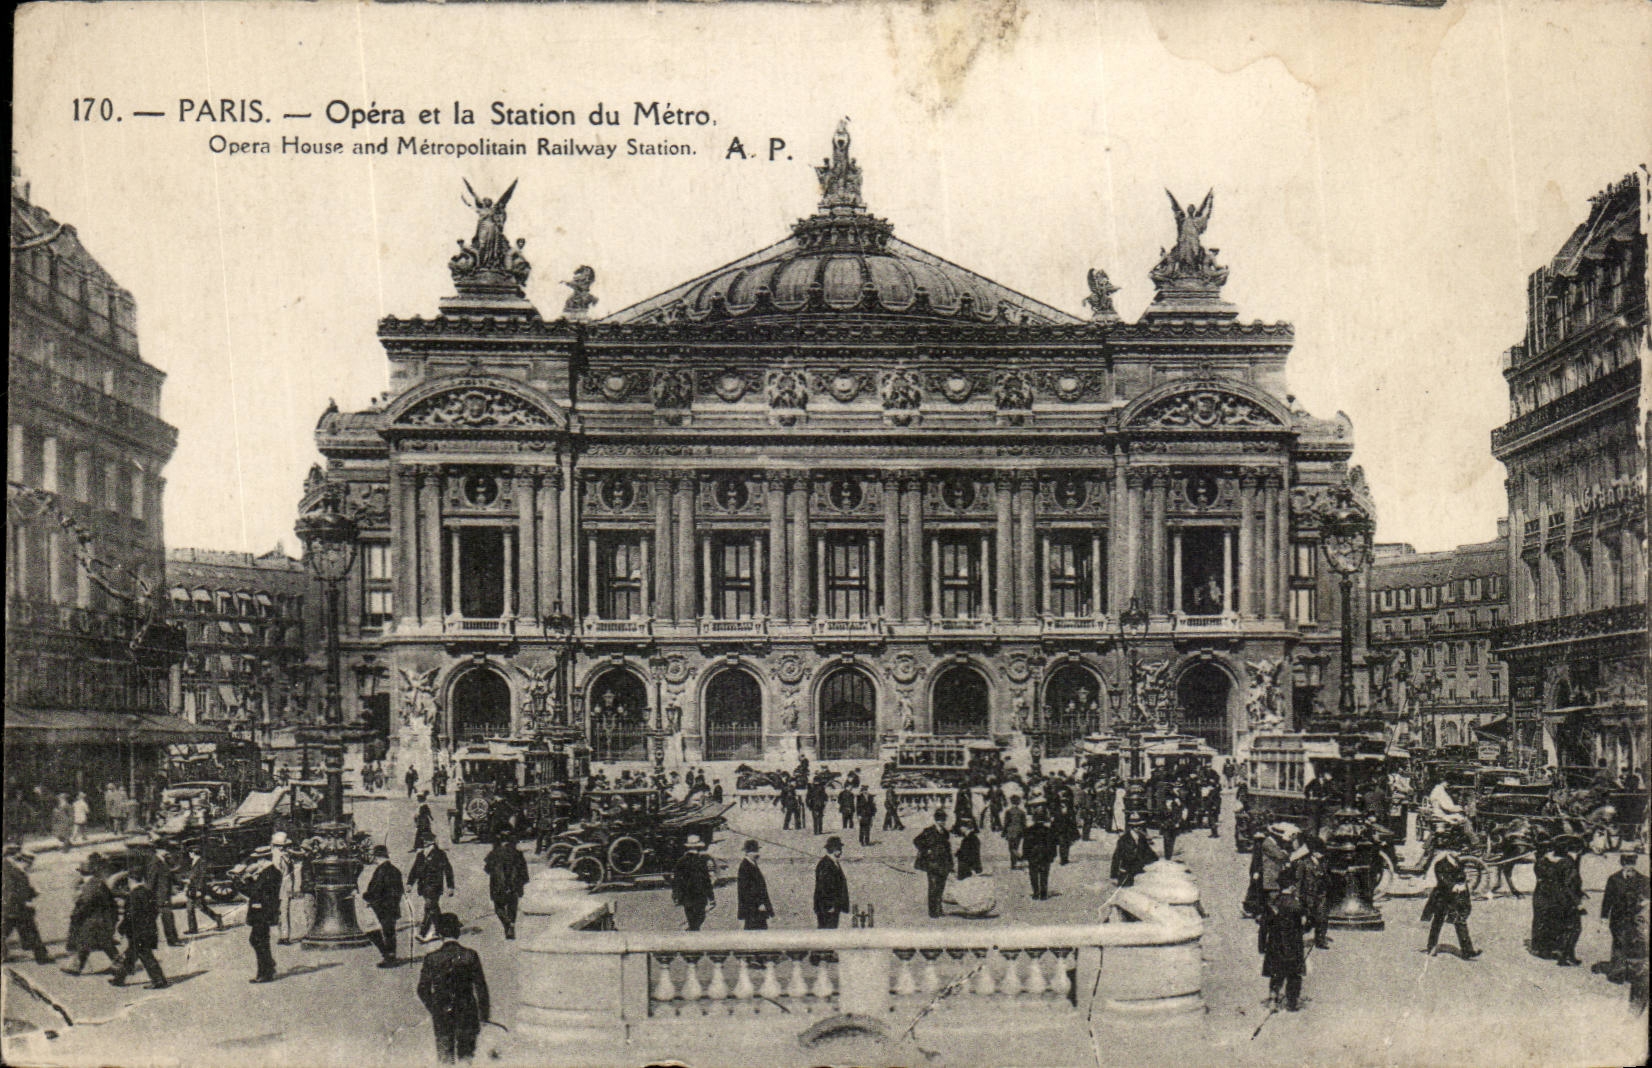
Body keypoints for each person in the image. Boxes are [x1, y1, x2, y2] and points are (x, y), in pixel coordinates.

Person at [417, 912, 491, 1064]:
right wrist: (484, 1015)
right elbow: (481, 988)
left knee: (445, 1057)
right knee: (466, 1057)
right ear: (457, 932)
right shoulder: (470, 955)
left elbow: (422, 990)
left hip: (442, 1015)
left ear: (439, 934)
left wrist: (435, 1007)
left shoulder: (431, 958)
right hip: (467, 1012)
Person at [109, 846, 168, 989]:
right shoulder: (147, 892)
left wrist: (120, 930)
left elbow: (130, 916)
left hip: (139, 933)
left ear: (131, 880)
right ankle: (119, 979)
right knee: (131, 955)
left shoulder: (134, 896)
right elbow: (153, 911)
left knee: (146, 956)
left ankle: (159, 981)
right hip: (148, 930)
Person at [1260, 868, 1309, 1012]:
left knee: (1276, 973)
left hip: (1275, 944)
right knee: (1294, 975)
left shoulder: (1273, 903)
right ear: (1292, 886)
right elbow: (1305, 924)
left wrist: (1262, 945)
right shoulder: (1296, 905)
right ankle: (1291, 1003)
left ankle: (1273, 999)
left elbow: (1264, 926)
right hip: (1293, 945)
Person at [1422, 839, 1480, 960]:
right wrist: (1454, 886)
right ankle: (1431, 947)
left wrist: (1463, 885)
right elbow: (1442, 880)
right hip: (1442, 898)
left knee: (1460, 922)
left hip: (1455, 899)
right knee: (1437, 922)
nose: (1458, 853)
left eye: (1459, 851)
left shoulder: (1458, 863)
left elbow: (1462, 878)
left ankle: (1467, 951)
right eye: (1456, 851)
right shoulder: (1441, 864)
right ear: (1449, 851)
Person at [1531, 835, 1585, 965]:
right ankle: (1566, 955)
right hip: (1563, 899)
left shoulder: (1542, 861)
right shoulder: (1567, 863)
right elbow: (1569, 884)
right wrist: (1578, 902)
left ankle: (1544, 950)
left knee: (1545, 922)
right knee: (1573, 926)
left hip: (1542, 896)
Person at [64, 854, 121, 975]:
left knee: (98, 942)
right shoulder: (96, 882)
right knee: (92, 942)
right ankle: (76, 967)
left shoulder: (91, 885)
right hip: (100, 918)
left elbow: (85, 903)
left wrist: (76, 915)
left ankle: (120, 964)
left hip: (96, 920)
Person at [1596, 852, 1649, 981]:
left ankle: (1633, 972)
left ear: (1635, 864)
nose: (1628, 867)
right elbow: (1607, 899)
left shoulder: (1644, 880)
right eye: (1626, 864)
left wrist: (1644, 902)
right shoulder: (1614, 879)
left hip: (1635, 917)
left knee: (1634, 942)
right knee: (1619, 943)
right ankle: (1618, 973)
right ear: (1622, 863)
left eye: (1631, 864)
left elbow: (1648, 896)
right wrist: (1604, 917)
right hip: (1617, 916)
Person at [2, 847, 52, 965]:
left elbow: (21, 887)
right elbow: (11, 890)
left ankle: (41, 956)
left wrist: (32, 893)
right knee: (30, 930)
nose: (29, 866)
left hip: (13, 907)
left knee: (21, 930)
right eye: (28, 863)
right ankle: (41, 956)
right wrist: (25, 899)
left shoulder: (12, 868)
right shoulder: (9, 870)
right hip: (13, 907)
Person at [242, 844, 283, 982]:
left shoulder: (268, 874)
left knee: (258, 940)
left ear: (264, 860)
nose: (257, 863)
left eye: (258, 860)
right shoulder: (270, 872)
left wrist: (242, 880)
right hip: (263, 911)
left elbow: (253, 892)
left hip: (262, 912)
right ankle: (268, 966)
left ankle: (265, 973)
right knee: (259, 940)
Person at [362, 844, 405, 966]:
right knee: (389, 932)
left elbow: (376, 889)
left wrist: (367, 897)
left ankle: (388, 957)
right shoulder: (395, 870)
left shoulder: (381, 870)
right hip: (392, 906)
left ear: (377, 857)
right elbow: (399, 889)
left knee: (377, 932)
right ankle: (390, 956)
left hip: (382, 907)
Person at [483, 836, 530, 941]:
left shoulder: (494, 853)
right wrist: (522, 885)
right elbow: (524, 872)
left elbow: (487, 869)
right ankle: (511, 924)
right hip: (514, 886)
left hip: (498, 885)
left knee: (498, 907)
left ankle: (506, 923)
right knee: (512, 907)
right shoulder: (518, 854)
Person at [410, 839, 456, 942]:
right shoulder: (421, 855)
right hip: (423, 887)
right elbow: (414, 870)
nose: (424, 846)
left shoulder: (440, 854)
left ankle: (423, 933)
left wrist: (450, 886)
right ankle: (440, 931)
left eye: (426, 844)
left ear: (431, 844)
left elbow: (448, 870)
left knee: (430, 907)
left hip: (435, 887)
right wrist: (410, 883)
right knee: (433, 909)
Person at [670, 835, 716, 931]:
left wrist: (675, 896)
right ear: (699, 847)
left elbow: (676, 881)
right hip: (700, 896)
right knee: (699, 919)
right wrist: (711, 897)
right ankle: (692, 932)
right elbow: (706, 881)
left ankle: (691, 930)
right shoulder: (702, 861)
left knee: (692, 919)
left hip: (687, 897)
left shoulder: (681, 861)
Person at [914, 811, 954, 919]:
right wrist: (926, 850)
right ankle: (932, 911)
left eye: (944, 820)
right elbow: (916, 841)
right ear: (936, 820)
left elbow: (948, 849)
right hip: (932, 863)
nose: (942, 822)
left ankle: (939, 909)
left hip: (943, 864)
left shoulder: (945, 832)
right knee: (933, 887)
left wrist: (951, 865)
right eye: (940, 820)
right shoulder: (929, 831)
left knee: (941, 887)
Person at [1295, 835, 1332, 950]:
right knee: (1308, 919)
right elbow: (1298, 881)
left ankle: (1320, 940)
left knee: (1322, 917)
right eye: (1319, 852)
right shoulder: (1304, 863)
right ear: (1314, 852)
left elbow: (1327, 879)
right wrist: (1297, 896)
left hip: (1321, 894)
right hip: (1308, 895)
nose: (1322, 855)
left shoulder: (1323, 863)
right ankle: (1296, 938)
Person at [1109, 813, 1158, 888]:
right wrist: (1114, 876)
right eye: (1138, 827)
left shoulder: (1142, 839)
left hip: (1138, 874)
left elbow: (1151, 855)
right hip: (1126, 874)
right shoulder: (1124, 839)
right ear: (1133, 828)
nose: (1141, 829)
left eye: (1141, 826)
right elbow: (1116, 858)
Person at [184, 847, 223, 934]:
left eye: (190, 853)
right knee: (190, 908)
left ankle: (217, 918)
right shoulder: (194, 862)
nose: (189, 855)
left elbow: (202, 877)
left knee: (202, 907)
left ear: (193, 853)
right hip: (192, 888)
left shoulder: (201, 862)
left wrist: (199, 889)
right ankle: (192, 929)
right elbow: (193, 875)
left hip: (198, 888)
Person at [736, 840, 774, 931]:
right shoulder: (745, 866)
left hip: (756, 908)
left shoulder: (752, 864)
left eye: (757, 851)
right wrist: (759, 904)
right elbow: (746, 890)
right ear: (747, 852)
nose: (757, 854)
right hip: (753, 908)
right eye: (753, 851)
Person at [814, 837, 850, 929]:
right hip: (827, 907)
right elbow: (824, 887)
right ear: (834, 849)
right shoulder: (826, 864)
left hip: (832, 906)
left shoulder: (832, 862)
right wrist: (829, 905)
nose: (841, 851)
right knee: (827, 932)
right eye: (839, 849)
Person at [1022, 808, 1057, 900]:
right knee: (1044, 874)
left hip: (1033, 854)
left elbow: (1026, 844)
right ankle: (1044, 893)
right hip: (1045, 854)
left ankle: (1036, 892)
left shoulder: (1029, 830)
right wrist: (1053, 855)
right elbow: (1052, 843)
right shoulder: (1048, 830)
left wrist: (1025, 855)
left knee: (1033, 873)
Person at [1002, 796, 1028, 870]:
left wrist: (1004, 832)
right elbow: (1024, 823)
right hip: (1019, 832)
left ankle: (1015, 862)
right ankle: (1015, 863)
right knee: (1015, 847)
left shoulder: (1008, 812)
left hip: (1010, 831)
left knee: (1011, 848)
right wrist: (1025, 832)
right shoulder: (1022, 812)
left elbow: (1006, 823)